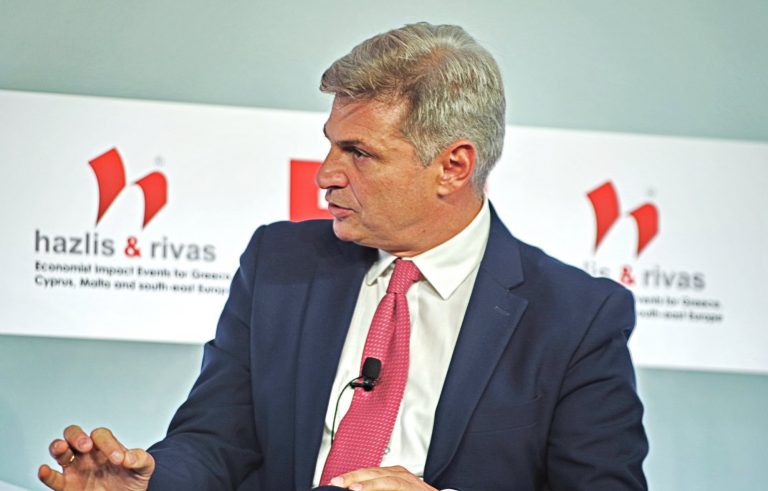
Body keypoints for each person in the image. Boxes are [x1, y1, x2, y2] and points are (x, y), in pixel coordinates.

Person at [39, 22, 648, 491]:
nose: (326, 174)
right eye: (330, 146)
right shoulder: (280, 265)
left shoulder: (576, 317)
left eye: (359, 153)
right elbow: (218, 438)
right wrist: (151, 483)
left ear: (453, 166)